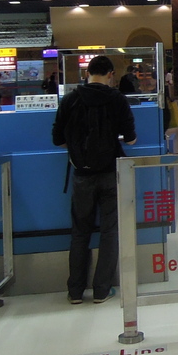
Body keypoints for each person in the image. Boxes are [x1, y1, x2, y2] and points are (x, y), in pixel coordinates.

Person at [51, 55, 137, 304]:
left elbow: (58, 139)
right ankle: (102, 289)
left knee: (80, 232)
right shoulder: (117, 99)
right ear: (110, 74)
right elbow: (130, 138)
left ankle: (75, 291)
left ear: (87, 73)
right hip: (111, 173)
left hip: (82, 175)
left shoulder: (70, 99)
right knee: (110, 231)